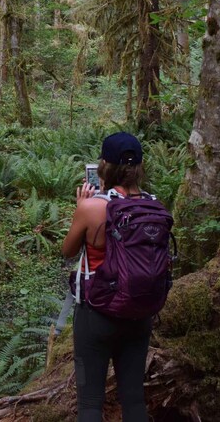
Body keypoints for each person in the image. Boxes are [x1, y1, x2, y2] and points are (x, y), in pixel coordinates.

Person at [62, 131, 151, 422]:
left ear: (104, 167)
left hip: (96, 314)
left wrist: (81, 207)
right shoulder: (154, 206)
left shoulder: (92, 208)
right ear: (137, 168)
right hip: (139, 313)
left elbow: (68, 251)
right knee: (134, 399)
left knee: (90, 403)